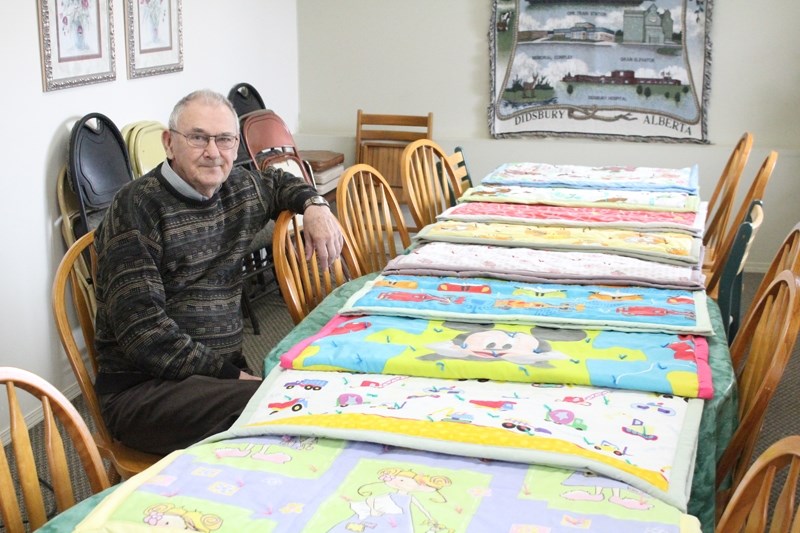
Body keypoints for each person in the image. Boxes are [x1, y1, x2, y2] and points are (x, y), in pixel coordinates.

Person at [92, 89, 343, 455]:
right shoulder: (135, 209)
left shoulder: (237, 188)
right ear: (169, 143)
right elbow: (144, 335)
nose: (213, 151)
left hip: (218, 380)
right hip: (146, 391)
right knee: (287, 409)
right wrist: (231, 377)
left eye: (224, 139)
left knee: (319, 384)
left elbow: (278, 183)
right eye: (197, 138)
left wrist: (315, 205)